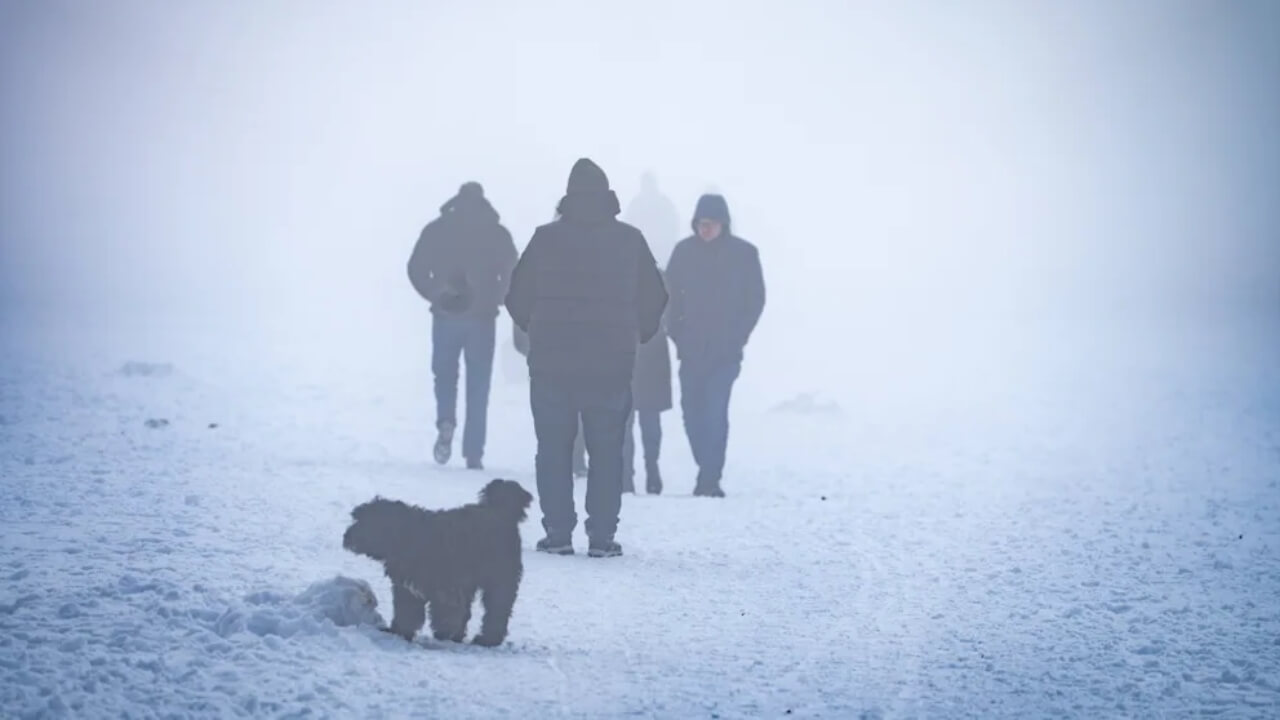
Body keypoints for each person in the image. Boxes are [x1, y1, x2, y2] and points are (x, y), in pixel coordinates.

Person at [505, 158, 667, 558]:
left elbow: (516, 296)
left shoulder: (545, 239)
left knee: (553, 449)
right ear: (607, 195)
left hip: (552, 362)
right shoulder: (629, 240)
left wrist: (538, 330)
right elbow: (655, 296)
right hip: (611, 363)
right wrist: (635, 335)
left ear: (568, 195)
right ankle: (602, 536)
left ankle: (558, 533)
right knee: (608, 450)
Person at [407, 182, 518, 470]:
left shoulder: (437, 229)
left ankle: (446, 421)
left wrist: (435, 292)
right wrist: (497, 296)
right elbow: (513, 271)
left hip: (446, 317)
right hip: (482, 318)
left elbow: (415, 267)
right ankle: (474, 452)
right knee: (478, 385)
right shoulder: (496, 233)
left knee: (445, 377)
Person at [665, 194, 765, 497]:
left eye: (711, 223)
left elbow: (755, 300)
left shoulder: (744, 255)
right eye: (701, 223)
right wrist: (677, 333)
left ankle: (709, 478)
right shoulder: (683, 253)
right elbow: (668, 296)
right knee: (691, 412)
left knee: (715, 412)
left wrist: (739, 335)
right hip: (691, 350)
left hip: (725, 352)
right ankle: (706, 467)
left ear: (723, 224)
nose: (705, 229)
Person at [620, 172, 681, 494]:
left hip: (631, 350)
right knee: (645, 417)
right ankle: (646, 471)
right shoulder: (661, 276)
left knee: (630, 416)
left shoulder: (622, 274)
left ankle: (632, 474)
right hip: (650, 350)